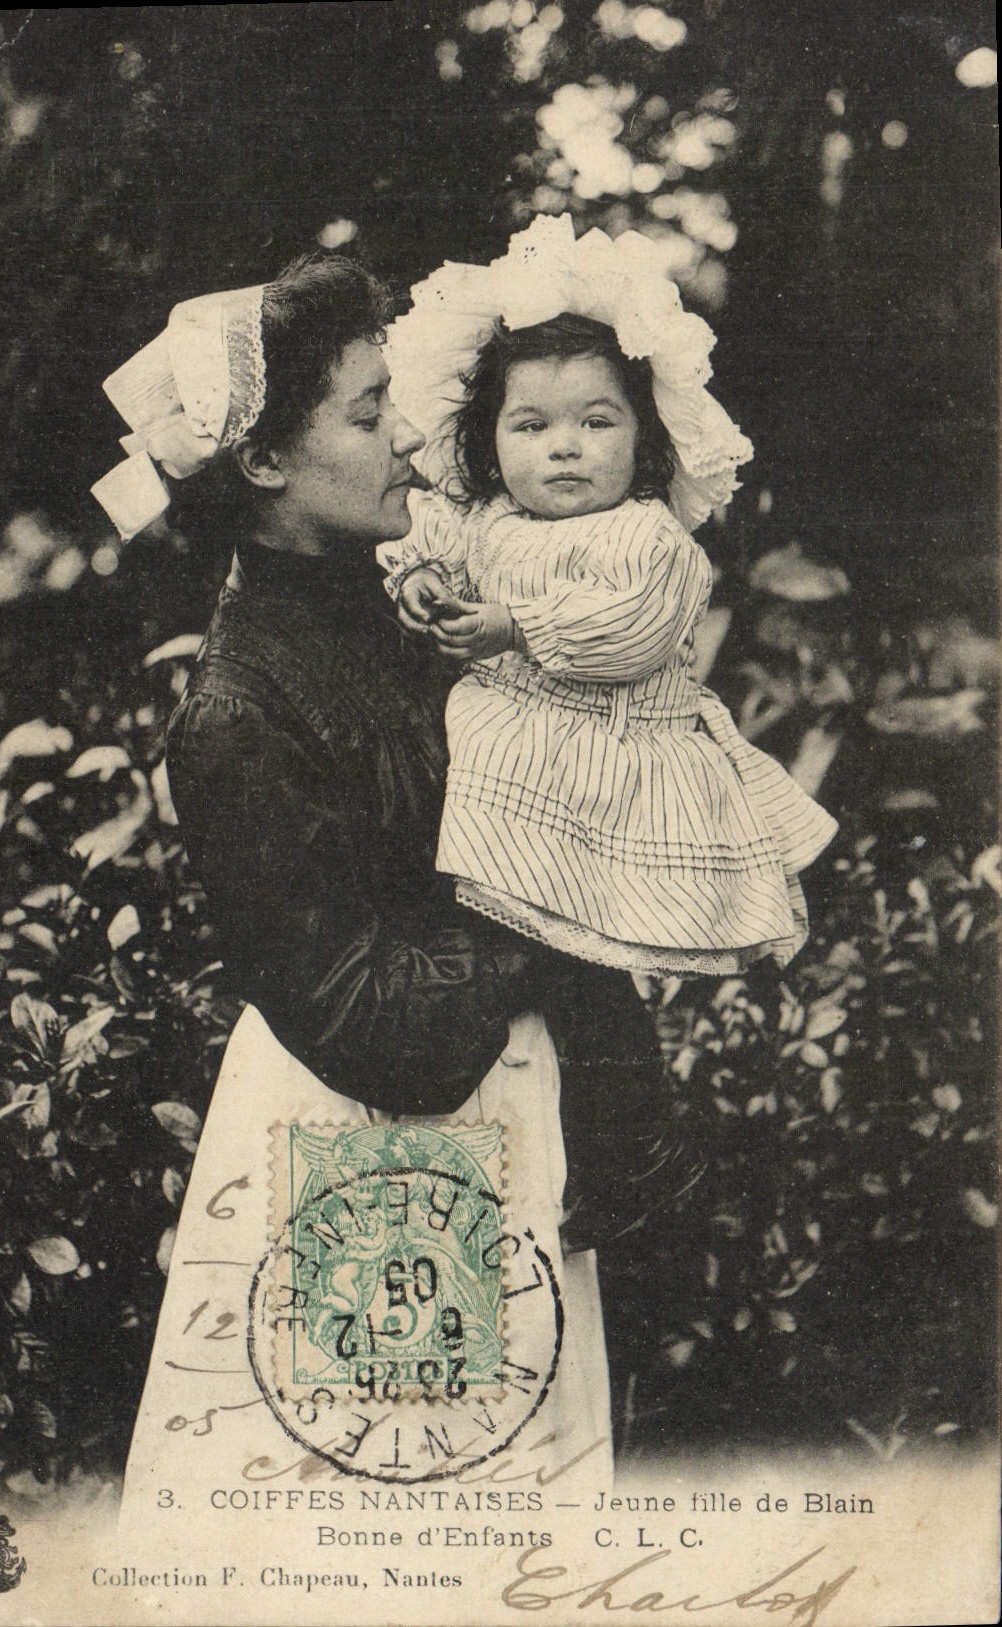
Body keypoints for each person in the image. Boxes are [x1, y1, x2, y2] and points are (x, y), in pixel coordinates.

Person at [92, 252, 701, 1506]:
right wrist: (557, 925)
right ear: (263, 463)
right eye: (370, 413)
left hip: (506, 1127)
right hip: (369, 1177)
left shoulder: (403, 607)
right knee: (388, 1542)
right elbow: (380, 1032)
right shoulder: (239, 713)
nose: (414, 438)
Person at [381, 213, 838, 984]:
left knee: (593, 933)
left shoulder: (647, 538)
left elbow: (632, 630)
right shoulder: (485, 519)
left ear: (645, 437)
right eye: (531, 424)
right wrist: (419, 582)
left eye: (597, 421)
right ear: (485, 439)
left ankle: (577, 957)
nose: (565, 445)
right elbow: (428, 545)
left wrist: (516, 623)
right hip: (512, 745)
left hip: (617, 753)